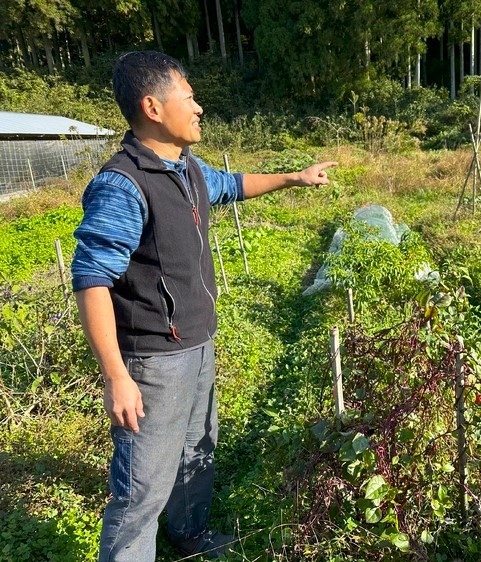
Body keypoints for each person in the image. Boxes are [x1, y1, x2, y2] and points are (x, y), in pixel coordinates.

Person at [71, 50, 336, 561]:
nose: (198, 109)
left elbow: (232, 186)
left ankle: (188, 533)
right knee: (141, 488)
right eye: (189, 97)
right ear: (152, 106)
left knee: (198, 448)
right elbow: (92, 280)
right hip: (151, 360)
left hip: (198, 343)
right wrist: (116, 376)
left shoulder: (185, 168)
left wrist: (293, 178)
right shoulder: (125, 184)